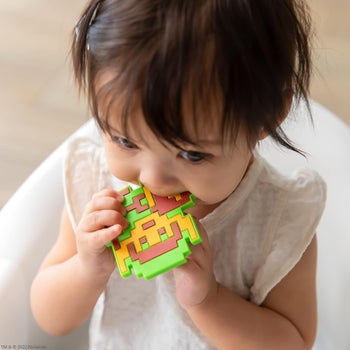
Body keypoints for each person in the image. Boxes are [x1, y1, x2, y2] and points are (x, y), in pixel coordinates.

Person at [30, 0, 326, 349]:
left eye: (192, 154)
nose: (152, 179)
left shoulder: (277, 222)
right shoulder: (97, 190)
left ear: (267, 117)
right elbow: (50, 318)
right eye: (125, 141)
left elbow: (293, 342)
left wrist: (208, 301)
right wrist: (86, 268)